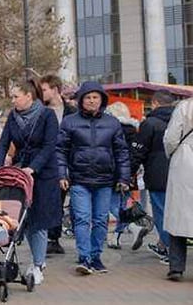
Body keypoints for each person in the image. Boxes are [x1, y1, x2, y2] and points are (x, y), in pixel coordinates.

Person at [56, 82, 131, 276]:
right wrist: (62, 173)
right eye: (88, 97)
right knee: (82, 219)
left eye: (95, 97)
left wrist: (123, 177)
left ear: (102, 100)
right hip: (79, 179)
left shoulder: (112, 123)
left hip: (105, 181)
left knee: (100, 220)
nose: (91, 100)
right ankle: (84, 257)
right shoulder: (69, 122)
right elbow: (60, 150)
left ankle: (96, 256)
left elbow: (122, 152)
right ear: (81, 100)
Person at [0, 79, 61, 286]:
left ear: (29, 96)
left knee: (38, 221)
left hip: (43, 174)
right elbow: (4, 143)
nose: (13, 100)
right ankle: (35, 260)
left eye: (16, 96)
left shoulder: (47, 115)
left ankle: (39, 264)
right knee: (23, 218)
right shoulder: (14, 117)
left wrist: (34, 167)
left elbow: (50, 145)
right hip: (20, 172)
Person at [133, 91, 175, 261]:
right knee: (177, 212)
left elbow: (138, 152)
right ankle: (163, 245)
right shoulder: (182, 121)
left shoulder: (150, 123)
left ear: (155, 103)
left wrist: (130, 172)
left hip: (157, 175)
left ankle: (170, 249)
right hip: (181, 174)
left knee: (161, 212)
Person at [40, 74, 77, 256]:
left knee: (59, 200)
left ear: (55, 90)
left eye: (44, 89)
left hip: (65, 163)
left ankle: (54, 238)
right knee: (46, 200)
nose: (42, 92)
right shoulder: (40, 111)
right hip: (45, 163)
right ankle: (46, 236)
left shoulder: (71, 111)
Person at [163, 96, 193, 281]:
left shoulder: (185, 106)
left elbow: (171, 138)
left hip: (185, 162)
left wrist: (172, 154)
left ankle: (176, 266)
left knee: (178, 217)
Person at [104, 101, 141, 249]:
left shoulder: (112, 129)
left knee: (112, 205)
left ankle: (133, 226)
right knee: (123, 205)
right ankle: (116, 238)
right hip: (129, 172)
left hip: (113, 171)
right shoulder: (133, 130)